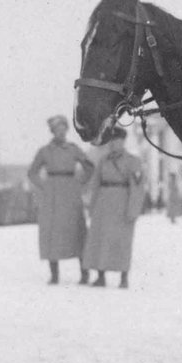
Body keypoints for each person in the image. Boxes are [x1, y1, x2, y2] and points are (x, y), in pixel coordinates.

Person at [28, 115, 93, 285]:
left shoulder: (73, 149)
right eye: (57, 130)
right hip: (52, 196)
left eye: (63, 129)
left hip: (71, 193)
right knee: (52, 233)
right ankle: (54, 274)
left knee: (77, 230)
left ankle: (84, 273)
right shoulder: (44, 151)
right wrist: (44, 186)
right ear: (52, 131)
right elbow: (32, 172)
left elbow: (89, 167)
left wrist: (81, 182)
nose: (61, 133)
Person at [82, 127, 147, 288]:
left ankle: (123, 277)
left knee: (122, 242)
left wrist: (133, 210)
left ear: (123, 141)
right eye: (111, 141)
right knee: (100, 240)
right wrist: (92, 206)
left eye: (116, 140)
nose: (113, 144)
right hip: (103, 205)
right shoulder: (103, 161)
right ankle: (100, 275)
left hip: (122, 204)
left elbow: (138, 188)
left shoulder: (133, 161)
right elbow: (95, 184)